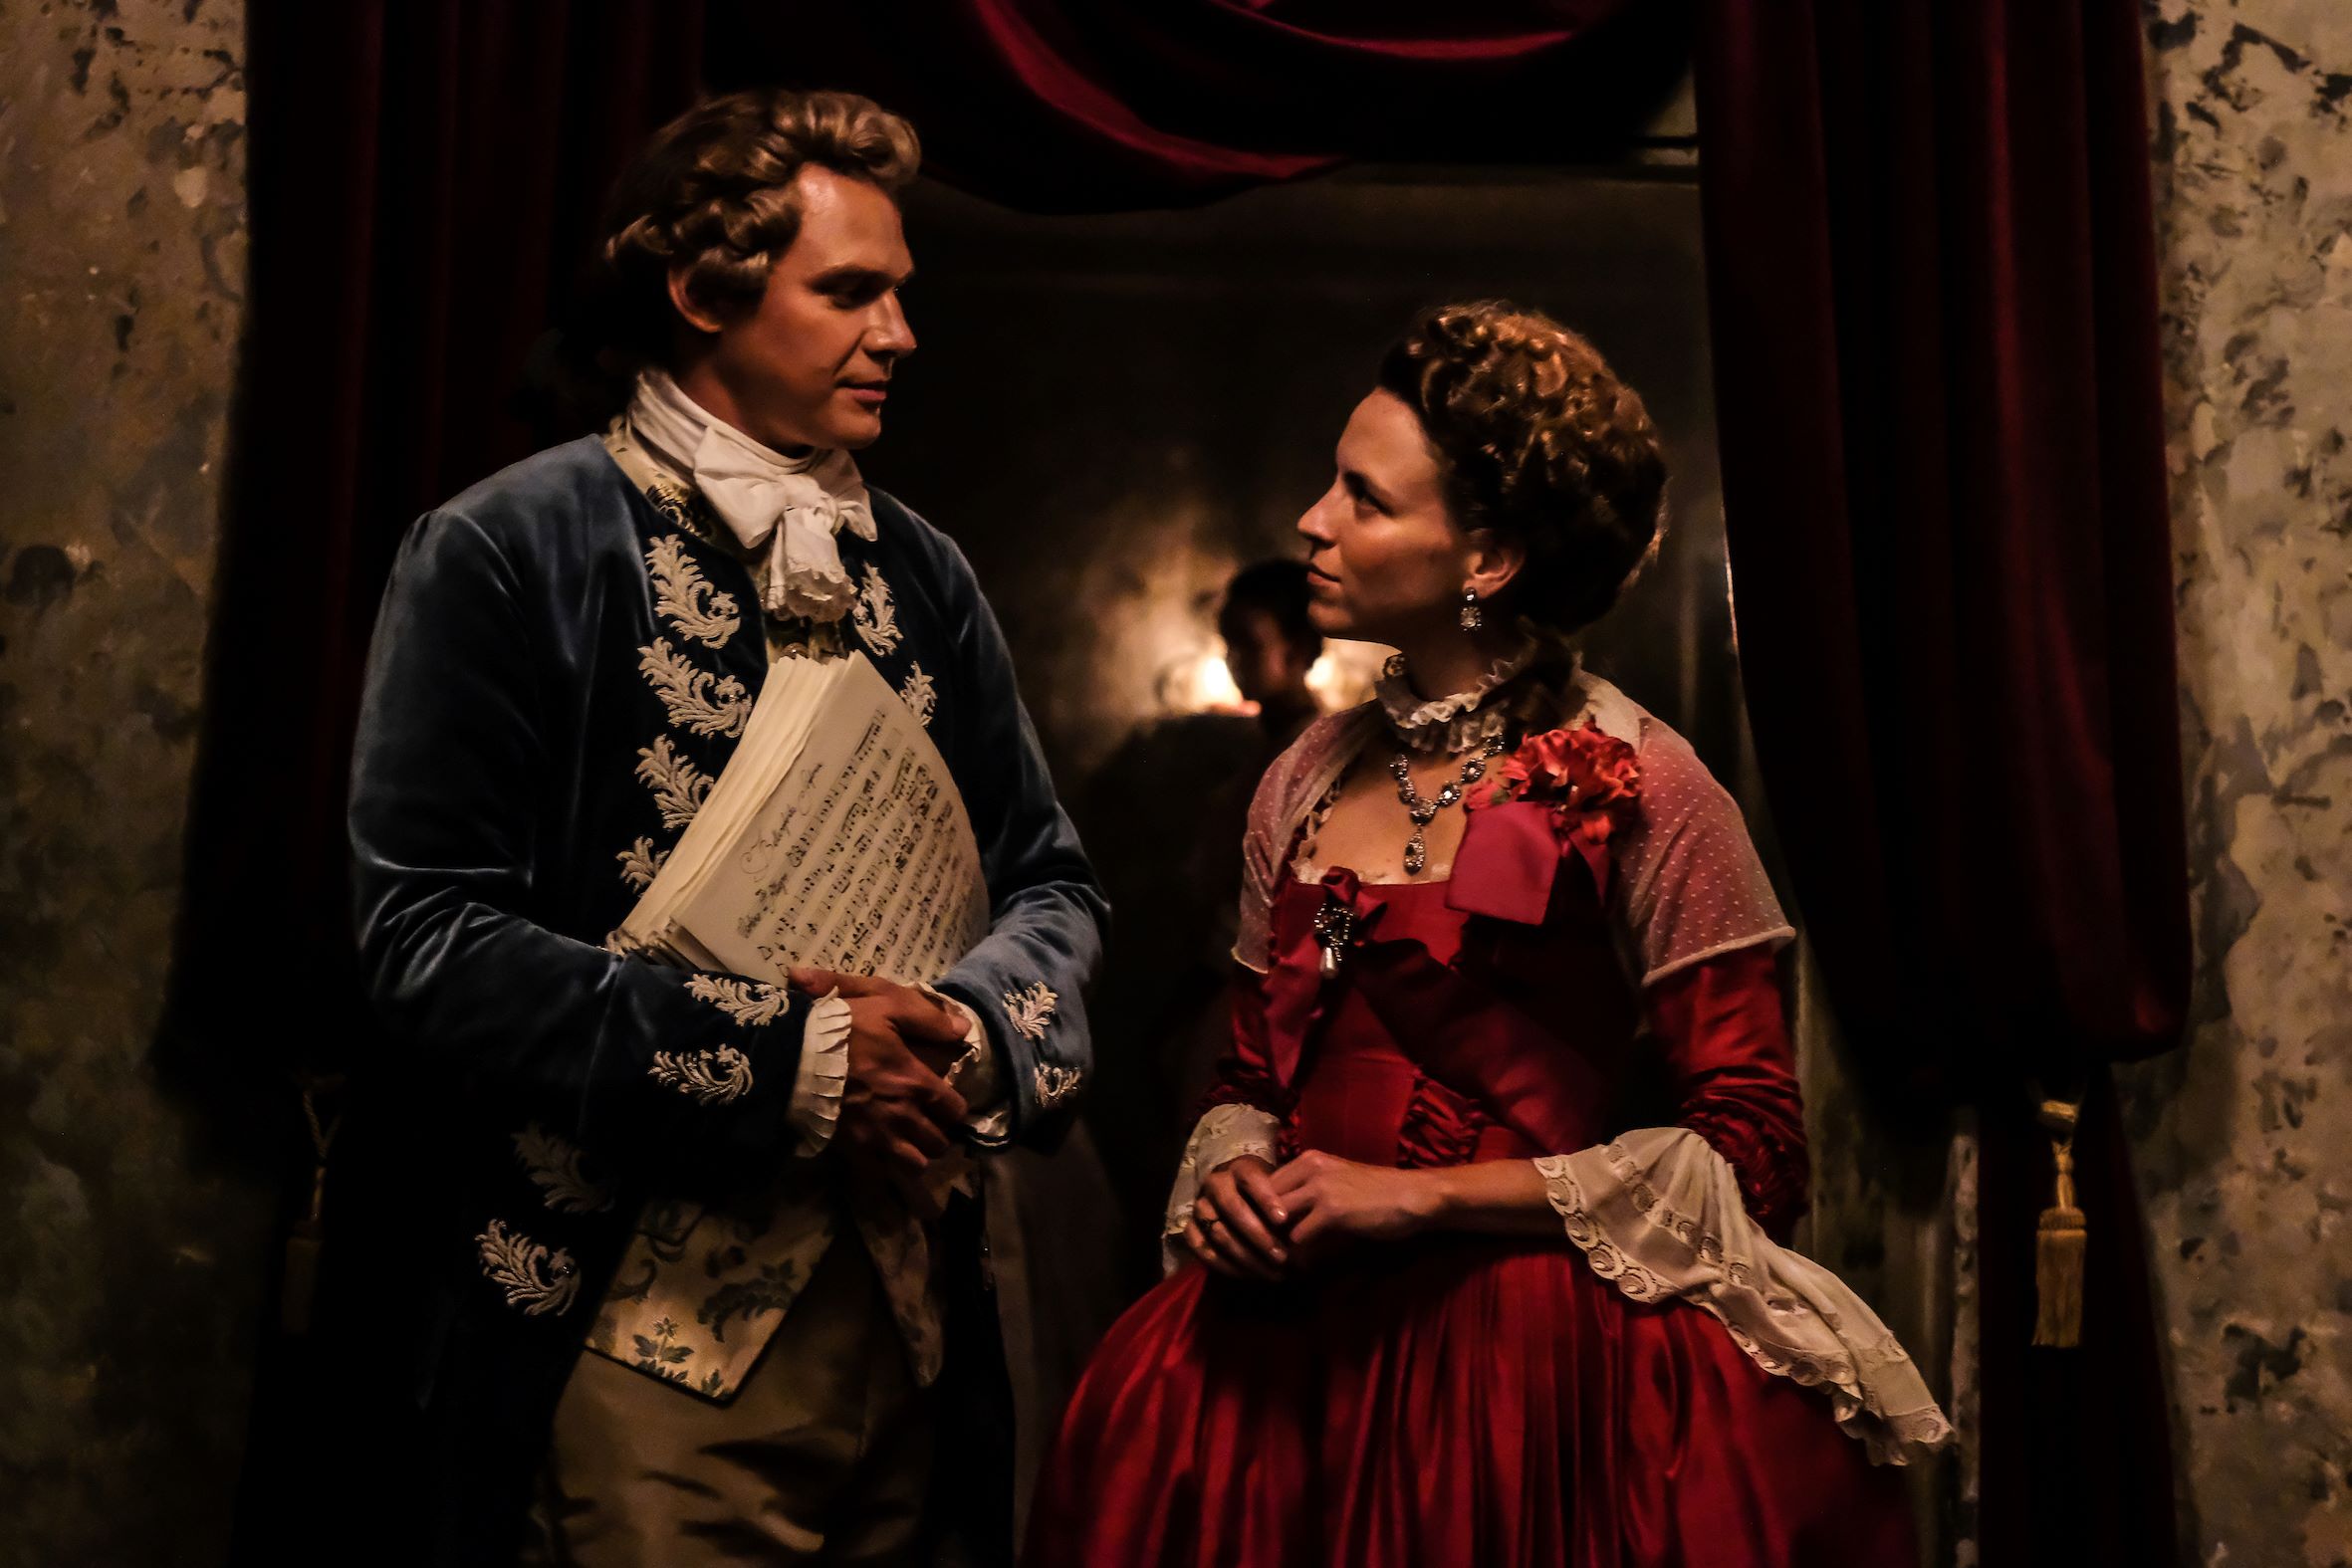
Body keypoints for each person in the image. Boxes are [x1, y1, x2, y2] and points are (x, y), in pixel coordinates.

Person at [1026, 303, 1950, 1567]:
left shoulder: (1647, 784)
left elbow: (1754, 1153)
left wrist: (1418, 1200)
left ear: (1492, 556)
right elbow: (1258, 1066)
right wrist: (1235, 1165)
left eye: (1363, 497)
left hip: (1524, 1374)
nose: (1312, 520)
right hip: (1277, 1359)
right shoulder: (1301, 781)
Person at [333, 90, 1106, 1565]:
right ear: (701, 292)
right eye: (850, 292)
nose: (899, 334)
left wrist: (961, 1028)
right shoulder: (511, 546)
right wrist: (790, 1058)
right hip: (627, 1332)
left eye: (900, 293)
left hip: (909, 1322)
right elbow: (423, 937)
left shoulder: (926, 571)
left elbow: (1049, 882)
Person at [1216, 559, 1323, 751]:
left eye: (1249, 645)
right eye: (1229, 643)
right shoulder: (1247, 742)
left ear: (1298, 650)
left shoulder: (1318, 749)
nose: (1233, 659)